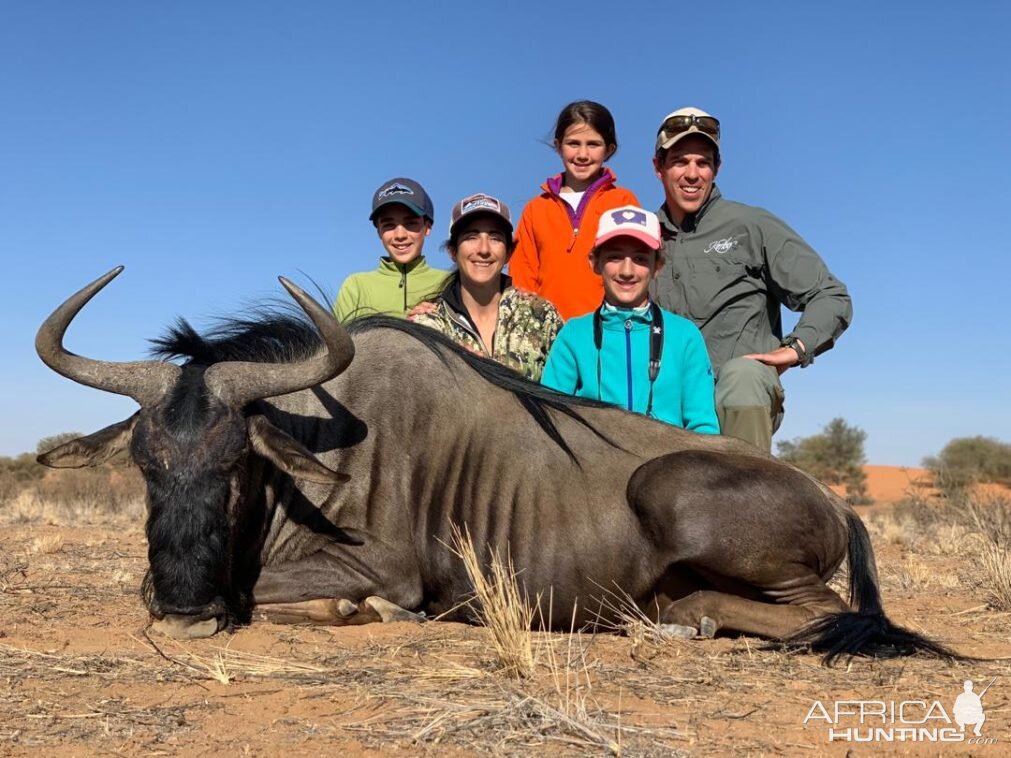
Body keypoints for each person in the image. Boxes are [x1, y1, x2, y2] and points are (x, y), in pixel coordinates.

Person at [649, 107, 852, 452]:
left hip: (737, 396)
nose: (692, 174)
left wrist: (796, 348)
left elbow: (830, 295)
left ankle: (748, 497)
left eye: (704, 162)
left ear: (717, 168)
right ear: (659, 167)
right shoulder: (642, 237)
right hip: (668, 401)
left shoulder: (751, 225)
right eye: (680, 161)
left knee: (741, 378)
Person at [541, 205, 719, 433]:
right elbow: (550, 420)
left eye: (640, 258)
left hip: (671, 465)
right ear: (595, 263)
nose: (627, 271)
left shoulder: (685, 336)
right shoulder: (573, 335)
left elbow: (704, 427)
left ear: (658, 267)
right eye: (615, 256)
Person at [411, 193, 563, 381]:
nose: (483, 249)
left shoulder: (540, 315)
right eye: (471, 236)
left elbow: (565, 395)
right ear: (453, 251)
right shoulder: (428, 327)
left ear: (508, 252)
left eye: (495, 238)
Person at [510, 100, 640, 321]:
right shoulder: (536, 209)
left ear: (609, 150)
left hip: (607, 329)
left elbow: (635, 270)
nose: (582, 154)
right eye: (573, 143)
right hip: (548, 336)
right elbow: (522, 281)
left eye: (593, 144)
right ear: (558, 145)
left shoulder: (623, 202)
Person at [333, 177, 450, 322]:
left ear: (427, 227)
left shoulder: (450, 283)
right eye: (389, 225)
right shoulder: (356, 287)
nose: (400, 235)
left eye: (410, 223)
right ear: (379, 232)